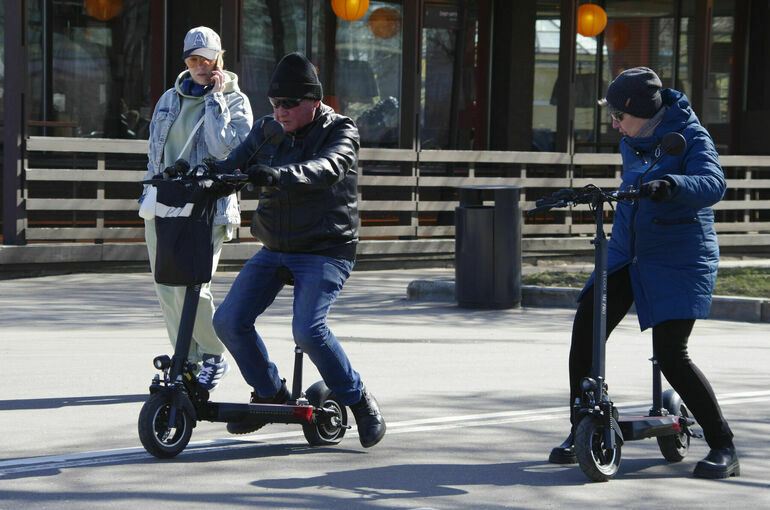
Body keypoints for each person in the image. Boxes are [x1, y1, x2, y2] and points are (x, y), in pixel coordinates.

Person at [548, 67, 739, 479]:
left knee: (671, 352)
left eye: (620, 116)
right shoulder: (631, 140)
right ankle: (580, 425)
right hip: (627, 253)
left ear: (643, 111)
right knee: (587, 328)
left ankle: (723, 445)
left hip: (679, 256)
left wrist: (673, 183)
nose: (615, 125)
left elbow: (713, 183)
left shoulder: (689, 135)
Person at [211, 52, 386, 448]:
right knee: (227, 321)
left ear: (313, 100)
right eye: (275, 103)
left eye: (289, 104)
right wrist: (201, 174)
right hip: (276, 247)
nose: (280, 111)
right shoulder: (268, 130)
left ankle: (358, 401)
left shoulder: (341, 129)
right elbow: (233, 165)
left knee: (308, 330)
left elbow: (329, 166)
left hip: (326, 249)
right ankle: (271, 394)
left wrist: (280, 174)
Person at [140, 26, 253, 390]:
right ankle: (184, 360)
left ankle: (214, 354)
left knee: (194, 285)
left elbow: (225, 152)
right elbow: (154, 155)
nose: (201, 66)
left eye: (207, 59)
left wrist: (215, 99)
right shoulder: (167, 100)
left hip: (208, 206)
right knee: (167, 287)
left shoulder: (236, 102)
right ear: (185, 61)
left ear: (220, 58)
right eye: (194, 59)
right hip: (164, 202)